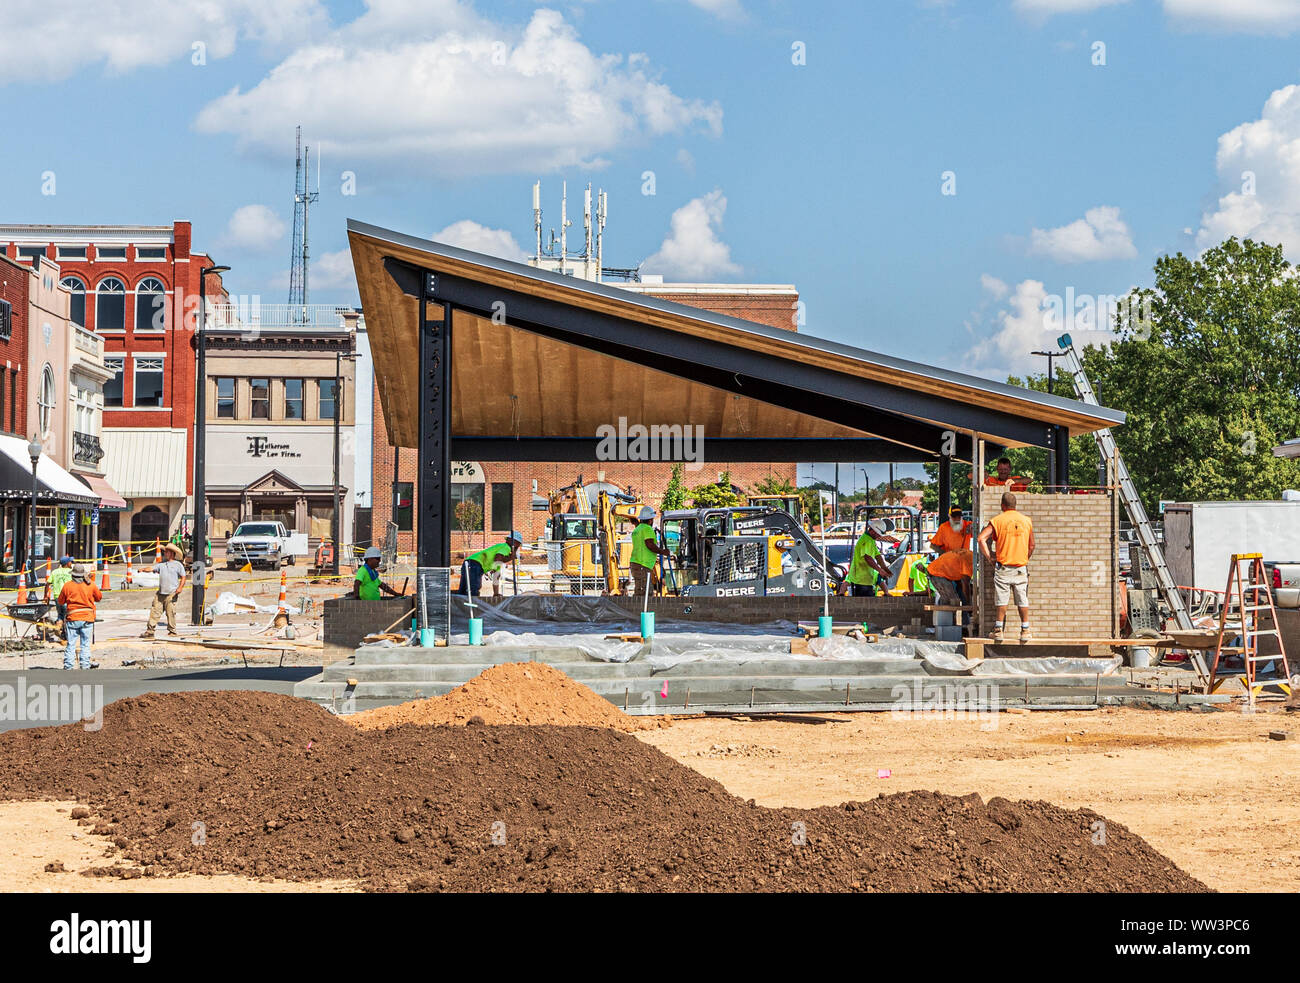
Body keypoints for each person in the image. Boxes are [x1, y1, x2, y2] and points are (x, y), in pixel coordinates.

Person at [977, 491, 1035, 642]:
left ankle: (998, 630)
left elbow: (981, 539)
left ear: (1002, 506)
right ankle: (1025, 630)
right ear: (1015, 506)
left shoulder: (997, 520)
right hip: (1020, 567)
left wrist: (990, 557)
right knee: (1022, 598)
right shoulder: (1027, 521)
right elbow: (1032, 545)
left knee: (1002, 599)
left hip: (1003, 567)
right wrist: (1024, 558)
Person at [57, 564, 101, 670]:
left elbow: (60, 601)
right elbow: (99, 597)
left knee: (71, 643)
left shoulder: (67, 586)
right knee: (85, 644)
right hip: (87, 618)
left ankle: (68, 666)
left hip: (73, 617)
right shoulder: (91, 585)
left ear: (73, 575)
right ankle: (85, 665)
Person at [141, 542, 186, 638]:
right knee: (155, 611)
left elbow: (183, 577)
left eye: (167, 552)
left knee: (170, 613)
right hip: (161, 593)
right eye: (165, 552)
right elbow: (152, 568)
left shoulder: (178, 565)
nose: (165, 553)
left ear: (172, 553)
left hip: (171, 593)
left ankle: (172, 631)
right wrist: (143, 569)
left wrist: (180, 587)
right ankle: (150, 631)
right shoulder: (161, 565)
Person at [462, 533, 522, 599]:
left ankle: (460, 605)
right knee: (473, 588)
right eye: (518, 546)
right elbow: (498, 557)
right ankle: (473, 606)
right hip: (475, 564)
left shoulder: (498, 558)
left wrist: (496, 593)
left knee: (464, 588)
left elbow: (496, 578)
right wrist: (511, 557)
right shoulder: (506, 547)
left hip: (469, 562)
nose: (518, 547)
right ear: (514, 542)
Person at [628, 506, 669, 597]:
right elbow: (649, 544)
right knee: (645, 593)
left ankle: (638, 609)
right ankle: (641, 610)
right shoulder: (647, 529)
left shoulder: (638, 529)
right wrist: (663, 552)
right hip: (643, 564)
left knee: (641, 590)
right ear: (650, 520)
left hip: (637, 563)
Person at [845, 520, 894, 596]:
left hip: (865, 579)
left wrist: (885, 568)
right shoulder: (866, 540)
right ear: (873, 531)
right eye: (878, 534)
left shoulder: (871, 540)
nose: (879, 536)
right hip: (860, 579)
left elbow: (878, 556)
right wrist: (880, 570)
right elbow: (867, 558)